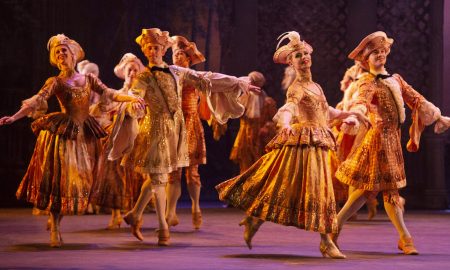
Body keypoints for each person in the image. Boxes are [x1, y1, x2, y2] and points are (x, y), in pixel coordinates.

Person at [216, 31, 369, 259]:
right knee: (302, 189)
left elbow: (325, 110)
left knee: (307, 189)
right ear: (291, 62)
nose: (304, 57)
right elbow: (289, 107)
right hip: (303, 143)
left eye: (306, 53)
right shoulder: (296, 88)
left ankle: (257, 220)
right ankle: (324, 240)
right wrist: (286, 123)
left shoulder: (316, 86)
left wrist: (348, 113)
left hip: (317, 142)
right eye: (298, 55)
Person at [0, 34, 143, 247]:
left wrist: (132, 97)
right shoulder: (56, 82)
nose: (60, 55)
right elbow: (36, 101)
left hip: (83, 136)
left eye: (64, 51)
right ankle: (56, 228)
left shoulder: (88, 80)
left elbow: (110, 94)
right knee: (61, 181)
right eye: (57, 52)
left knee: (80, 181)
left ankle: (55, 218)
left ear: (73, 55)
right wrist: (14, 116)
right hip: (63, 135)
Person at [122, 28, 260, 246]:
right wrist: (133, 105)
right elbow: (133, 96)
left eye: (157, 47)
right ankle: (163, 228)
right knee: (159, 177)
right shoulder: (143, 76)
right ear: (145, 52)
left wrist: (238, 83)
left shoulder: (177, 72)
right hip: (155, 130)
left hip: (177, 130)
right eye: (149, 48)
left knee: (166, 175)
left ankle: (136, 215)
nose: (153, 51)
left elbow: (207, 78)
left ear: (163, 49)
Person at [334, 31, 450, 255]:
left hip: (393, 140)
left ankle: (401, 237)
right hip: (377, 139)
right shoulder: (367, 82)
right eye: (374, 52)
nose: (379, 55)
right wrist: (353, 115)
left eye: (382, 51)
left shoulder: (395, 79)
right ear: (366, 58)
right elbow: (360, 101)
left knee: (381, 190)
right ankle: (402, 237)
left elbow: (417, 99)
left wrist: (438, 117)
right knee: (375, 190)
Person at [89, 53, 145, 229]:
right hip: (115, 140)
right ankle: (116, 214)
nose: (132, 73)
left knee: (135, 179)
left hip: (136, 140)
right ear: (124, 72)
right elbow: (100, 111)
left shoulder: (143, 94)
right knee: (113, 177)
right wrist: (106, 126)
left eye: (136, 70)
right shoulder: (117, 94)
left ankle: (136, 213)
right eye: (130, 69)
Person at [229, 71, 277, 174]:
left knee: (259, 165)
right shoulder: (243, 99)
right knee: (244, 164)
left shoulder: (268, 102)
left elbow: (275, 121)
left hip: (260, 137)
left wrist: (267, 127)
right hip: (244, 136)